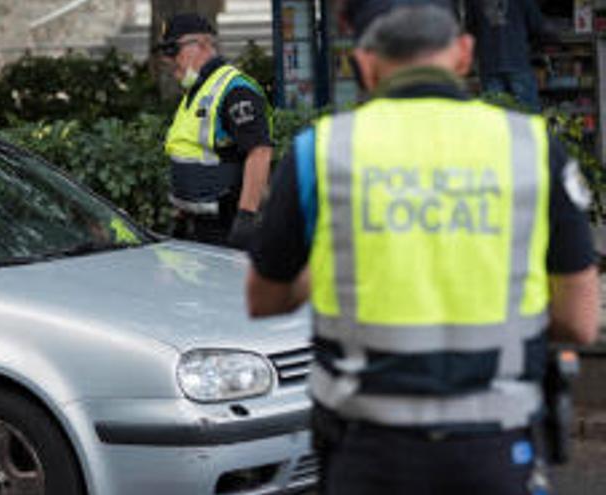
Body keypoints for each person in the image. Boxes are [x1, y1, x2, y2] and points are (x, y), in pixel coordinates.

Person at [245, 1, 601, 494]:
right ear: (463, 54)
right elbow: (581, 320)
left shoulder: (320, 152)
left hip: (367, 452)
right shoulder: (532, 149)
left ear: (364, 65)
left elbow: (262, 297)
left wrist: (328, 271)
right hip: (495, 451)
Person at [157, 13, 273, 249]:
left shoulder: (235, 90)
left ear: (201, 45)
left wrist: (246, 217)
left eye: (173, 50)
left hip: (227, 226)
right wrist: (180, 216)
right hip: (196, 227)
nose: (168, 60)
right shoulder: (197, 91)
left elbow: (260, 153)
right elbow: (191, 154)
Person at [466, 0, 555, 111]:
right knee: (528, 115)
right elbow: (538, 27)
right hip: (517, 61)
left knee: (496, 116)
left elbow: (470, 29)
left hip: (490, 64)